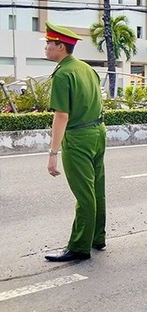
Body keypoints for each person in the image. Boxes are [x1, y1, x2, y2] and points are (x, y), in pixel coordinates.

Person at [43, 22, 106, 262]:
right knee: (96, 188)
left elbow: (61, 115)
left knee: (84, 193)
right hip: (98, 132)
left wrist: (53, 153)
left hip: (78, 136)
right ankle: (97, 237)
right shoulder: (86, 68)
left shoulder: (63, 73)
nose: (47, 48)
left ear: (60, 46)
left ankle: (80, 246)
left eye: (49, 43)